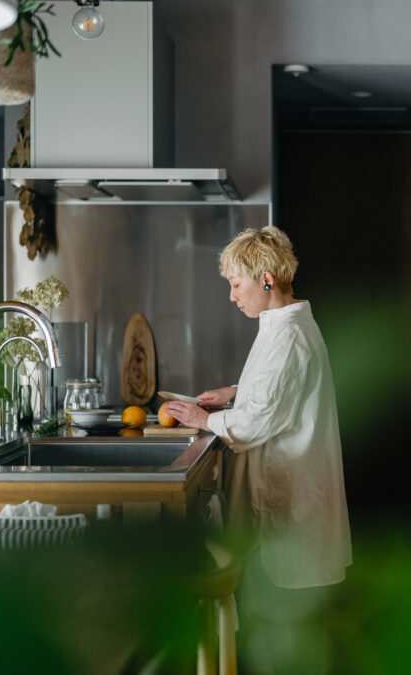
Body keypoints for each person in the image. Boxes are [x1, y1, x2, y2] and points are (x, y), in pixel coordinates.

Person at [164, 225, 351, 674]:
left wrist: (204, 419)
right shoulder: (284, 322)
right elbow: (277, 391)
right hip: (288, 492)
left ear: (265, 279)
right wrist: (234, 391)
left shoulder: (288, 335)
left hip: (288, 502)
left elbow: (260, 420)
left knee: (290, 632)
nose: (232, 296)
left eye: (235, 284)